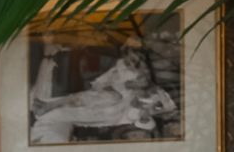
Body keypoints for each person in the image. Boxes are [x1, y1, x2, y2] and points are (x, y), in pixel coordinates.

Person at [28, 43, 178, 143]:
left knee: (106, 102)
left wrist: (144, 107)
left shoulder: (151, 90)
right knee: (105, 97)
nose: (129, 62)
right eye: (128, 58)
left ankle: (50, 107)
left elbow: (157, 106)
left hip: (116, 111)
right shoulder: (122, 66)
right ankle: (50, 105)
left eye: (133, 59)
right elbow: (104, 81)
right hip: (110, 96)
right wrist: (111, 85)